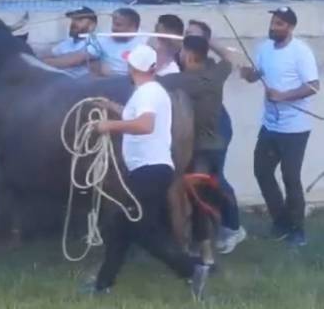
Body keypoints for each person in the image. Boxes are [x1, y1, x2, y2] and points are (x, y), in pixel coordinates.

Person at [84, 44, 209, 299]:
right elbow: (137, 116)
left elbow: (144, 125)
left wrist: (108, 125)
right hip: (149, 169)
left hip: (150, 170)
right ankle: (102, 284)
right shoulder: (149, 91)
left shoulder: (148, 93)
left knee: (139, 229)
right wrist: (111, 106)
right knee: (122, 226)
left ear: (133, 67)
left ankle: (191, 269)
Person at [157, 35, 247, 261]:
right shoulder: (216, 75)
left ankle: (201, 247)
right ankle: (216, 238)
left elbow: (144, 80)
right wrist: (208, 42)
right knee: (208, 194)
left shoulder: (176, 81)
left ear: (187, 56)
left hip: (195, 150)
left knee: (196, 199)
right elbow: (229, 56)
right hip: (216, 145)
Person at [241, 7, 319, 247]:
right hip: (270, 125)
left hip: (295, 129)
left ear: (290, 27)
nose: (274, 27)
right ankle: (281, 221)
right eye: (273, 22)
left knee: (290, 178)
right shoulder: (265, 48)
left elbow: (314, 85)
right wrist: (249, 74)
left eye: (280, 24)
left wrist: (284, 96)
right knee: (262, 171)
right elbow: (260, 73)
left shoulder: (300, 52)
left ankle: (298, 231)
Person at [184, 19, 245, 255]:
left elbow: (230, 58)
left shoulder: (210, 67)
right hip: (191, 130)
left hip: (216, 129)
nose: (188, 38)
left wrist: (208, 42)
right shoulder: (184, 60)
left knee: (214, 178)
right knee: (194, 181)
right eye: (186, 34)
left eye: (194, 36)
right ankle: (201, 232)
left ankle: (233, 228)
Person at [44, 8, 146, 77]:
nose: (113, 28)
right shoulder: (102, 39)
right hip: (107, 84)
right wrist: (39, 63)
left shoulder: (146, 40)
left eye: (118, 25)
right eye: (113, 24)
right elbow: (76, 58)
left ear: (133, 27)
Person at [41, 7, 98, 78]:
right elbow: (46, 55)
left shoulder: (95, 42)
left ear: (92, 26)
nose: (74, 23)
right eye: (73, 19)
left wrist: (38, 62)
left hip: (82, 85)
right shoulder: (67, 43)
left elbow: (71, 61)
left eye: (79, 20)